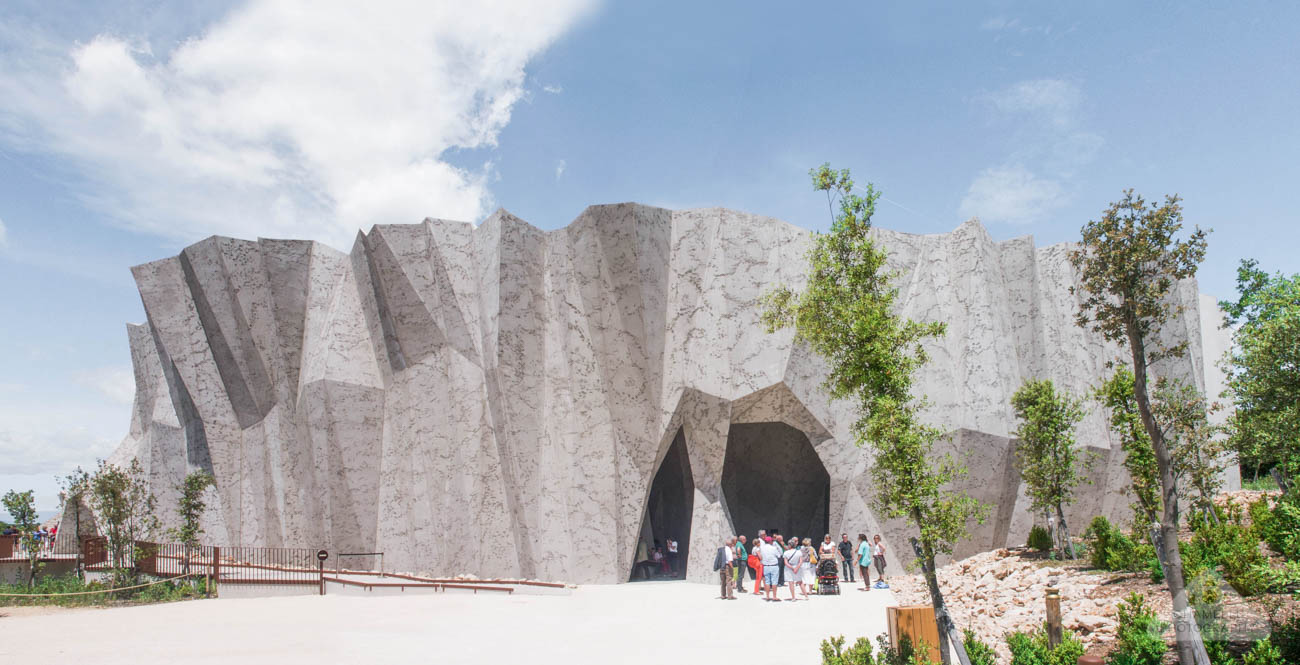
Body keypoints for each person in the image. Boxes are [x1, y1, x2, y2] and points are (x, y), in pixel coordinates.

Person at [759, 536, 781, 601]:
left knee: (767, 581)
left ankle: (767, 596)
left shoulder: (761, 548)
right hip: (774, 565)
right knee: (774, 581)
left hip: (766, 566)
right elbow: (779, 555)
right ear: (770, 541)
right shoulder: (773, 548)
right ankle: (774, 596)